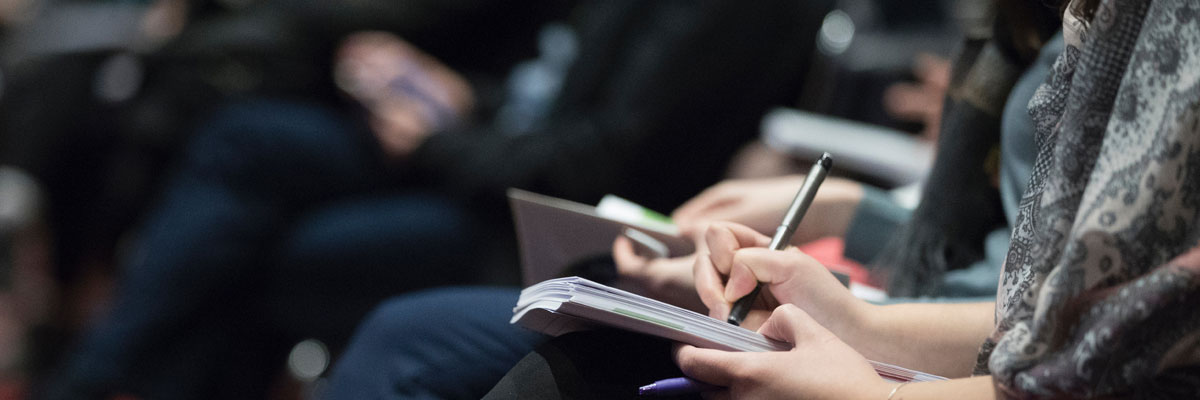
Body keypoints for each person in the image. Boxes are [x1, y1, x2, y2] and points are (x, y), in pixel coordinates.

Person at [39, 0, 834, 398]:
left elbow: (593, 164)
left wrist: (437, 141)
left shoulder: (728, 13)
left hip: (547, 225)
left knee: (277, 255)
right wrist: (454, 100)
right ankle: (105, 371)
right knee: (248, 138)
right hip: (487, 154)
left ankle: (101, 375)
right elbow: (546, 93)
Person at [481, 0, 1200, 398]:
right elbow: (1037, 307)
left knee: (536, 372)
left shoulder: (1161, 37)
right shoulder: (1067, 25)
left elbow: (1095, 353)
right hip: (950, 333)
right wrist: (848, 304)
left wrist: (873, 388)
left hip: (955, 363)